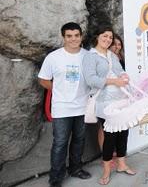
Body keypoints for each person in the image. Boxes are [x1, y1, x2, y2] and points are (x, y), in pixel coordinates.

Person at [38, 22, 91, 187]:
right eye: (69, 36)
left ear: (81, 36)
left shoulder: (88, 56)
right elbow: (43, 79)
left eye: (76, 35)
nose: (73, 39)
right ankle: (56, 177)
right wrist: (58, 89)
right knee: (60, 142)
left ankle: (75, 169)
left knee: (79, 140)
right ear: (63, 37)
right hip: (61, 107)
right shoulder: (53, 57)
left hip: (82, 106)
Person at [82, 27, 136, 185]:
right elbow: (91, 79)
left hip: (121, 100)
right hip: (104, 102)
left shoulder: (112, 55)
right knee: (110, 137)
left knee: (123, 133)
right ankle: (106, 171)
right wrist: (114, 81)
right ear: (97, 37)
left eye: (110, 37)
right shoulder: (90, 56)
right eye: (104, 36)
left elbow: (120, 71)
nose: (108, 39)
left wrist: (124, 76)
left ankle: (122, 164)